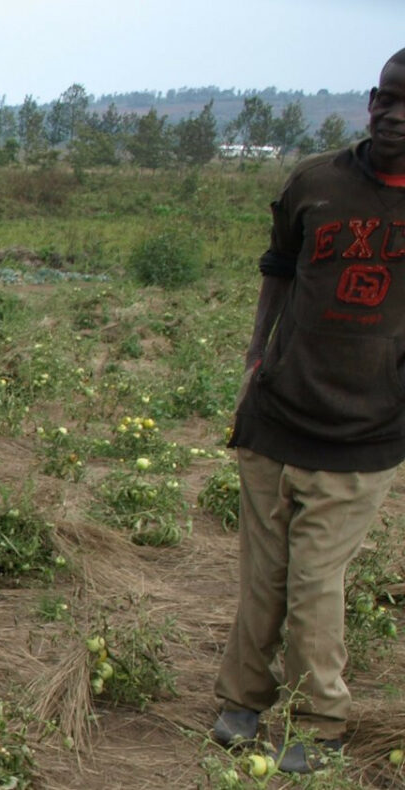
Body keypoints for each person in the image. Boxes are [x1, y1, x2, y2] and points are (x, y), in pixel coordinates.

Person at [212, 48, 405, 774]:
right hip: (278, 416)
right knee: (263, 574)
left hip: (366, 430)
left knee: (316, 579)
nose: (396, 116)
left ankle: (320, 720)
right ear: (370, 100)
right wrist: (257, 359)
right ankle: (242, 699)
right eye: (388, 98)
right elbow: (279, 271)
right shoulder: (317, 183)